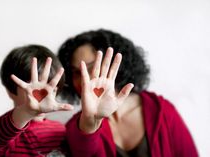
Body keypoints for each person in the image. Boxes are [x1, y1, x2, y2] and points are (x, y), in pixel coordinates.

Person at [58, 29, 199, 157]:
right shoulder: (76, 126)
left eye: (91, 67)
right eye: (76, 72)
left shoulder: (161, 111)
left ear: (116, 64)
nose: (84, 78)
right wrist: (89, 123)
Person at [0, 45, 74, 157]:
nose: (43, 97)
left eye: (52, 90)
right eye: (35, 91)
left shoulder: (60, 129)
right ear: (10, 91)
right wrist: (27, 111)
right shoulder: (6, 132)